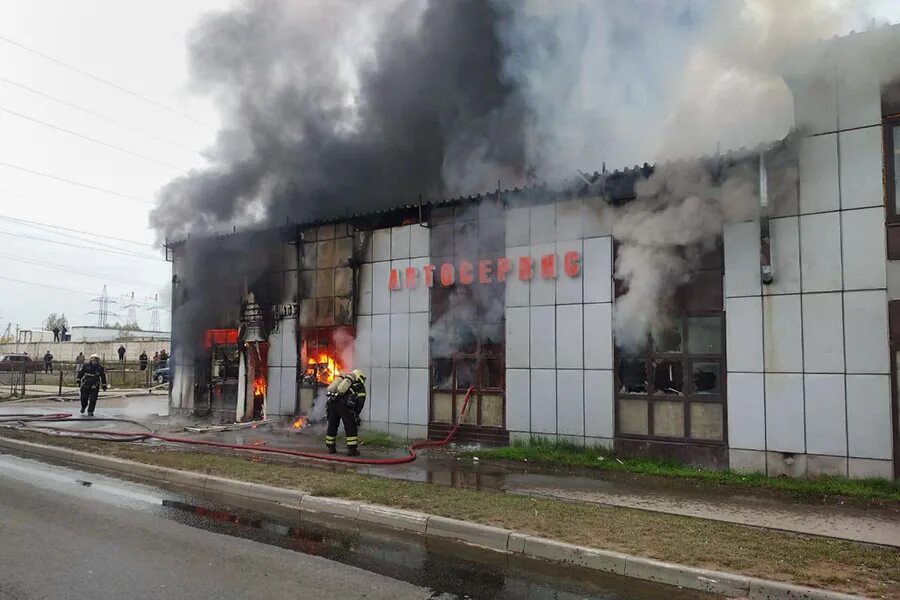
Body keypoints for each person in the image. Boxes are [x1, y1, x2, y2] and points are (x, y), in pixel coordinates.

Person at [324, 369, 367, 456]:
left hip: (333, 404)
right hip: (345, 406)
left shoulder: (342, 384)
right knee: (350, 426)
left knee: (332, 425)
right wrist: (356, 414)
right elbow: (360, 403)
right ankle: (352, 450)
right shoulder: (359, 387)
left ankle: (330, 448)